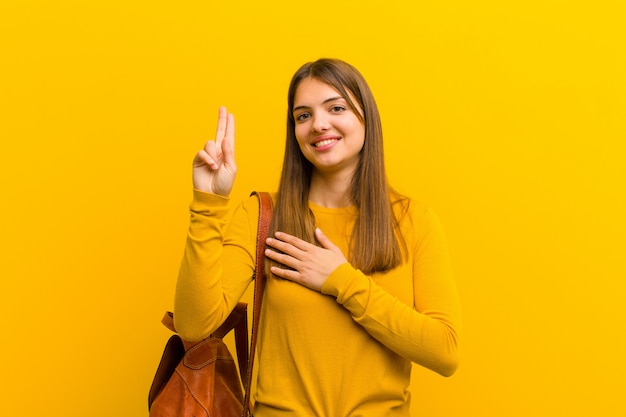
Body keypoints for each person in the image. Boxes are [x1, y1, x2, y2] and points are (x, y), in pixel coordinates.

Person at [174, 58, 461, 416]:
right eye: (303, 115)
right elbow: (193, 324)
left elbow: (445, 352)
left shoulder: (413, 221)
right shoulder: (262, 216)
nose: (318, 124)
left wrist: (340, 279)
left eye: (336, 107)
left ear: (365, 117)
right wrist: (208, 203)